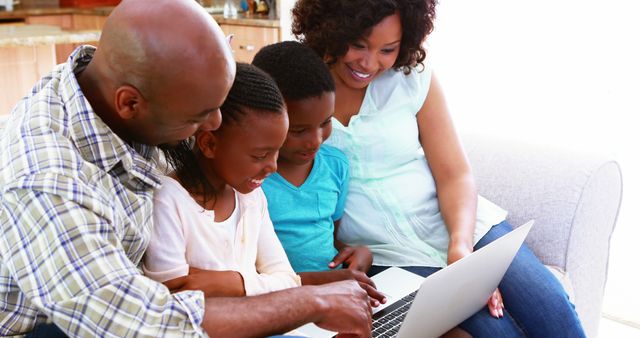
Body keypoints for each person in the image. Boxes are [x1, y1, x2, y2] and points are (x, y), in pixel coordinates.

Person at [0, 0, 372, 337]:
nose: (213, 126)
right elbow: (143, 325)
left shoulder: (118, 85)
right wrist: (312, 301)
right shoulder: (46, 181)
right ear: (130, 103)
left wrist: (313, 286)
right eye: (198, 117)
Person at [291, 0, 587, 337]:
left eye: (388, 49)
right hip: (387, 255)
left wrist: (460, 247)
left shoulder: (411, 77)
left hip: (465, 227)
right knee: (498, 332)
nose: (369, 62)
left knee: (553, 311)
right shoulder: (298, 85)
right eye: (358, 44)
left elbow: (455, 174)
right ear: (331, 27)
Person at [143, 63, 301, 297]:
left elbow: (289, 280)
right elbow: (173, 296)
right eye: (260, 156)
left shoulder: (252, 197)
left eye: (277, 152)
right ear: (209, 144)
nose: (273, 167)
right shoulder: (167, 200)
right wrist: (260, 283)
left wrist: (232, 283)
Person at [252, 41, 385, 305]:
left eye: (326, 122)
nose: (315, 140)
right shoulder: (251, 180)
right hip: (280, 300)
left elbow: (329, 238)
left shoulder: (336, 166)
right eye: (299, 130)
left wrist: (357, 255)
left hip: (338, 292)